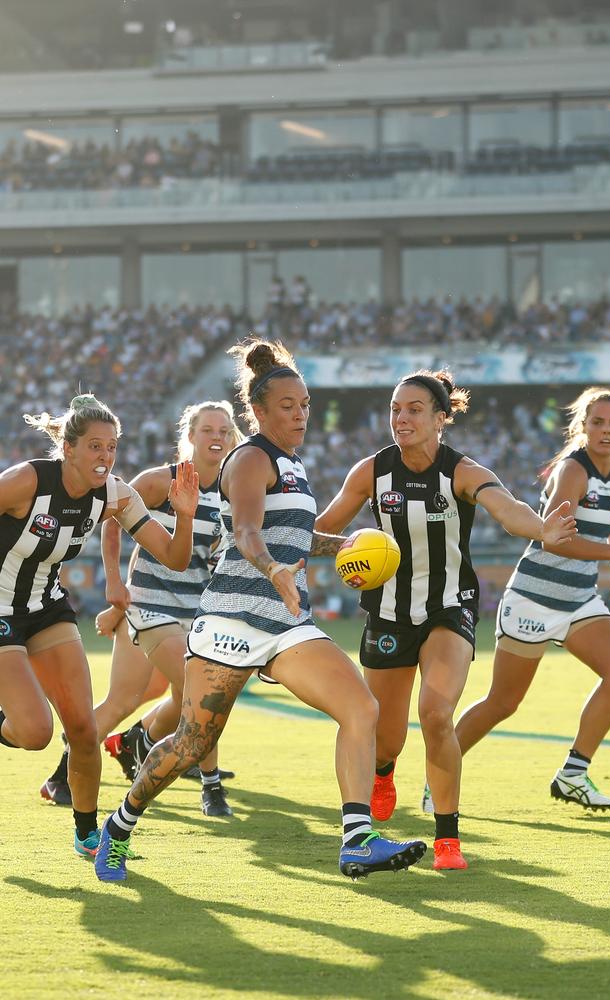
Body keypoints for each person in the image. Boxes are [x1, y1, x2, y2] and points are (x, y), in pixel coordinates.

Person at [95, 340, 427, 882]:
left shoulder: (293, 464)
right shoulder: (248, 459)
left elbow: (290, 534)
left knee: (362, 710)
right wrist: (274, 569)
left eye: (306, 405)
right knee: (191, 743)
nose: (301, 415)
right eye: (289, 406)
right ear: (260, 412)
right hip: (232, 618)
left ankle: (356, 840)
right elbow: (247, 532)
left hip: (286, 625)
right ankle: (119, 825)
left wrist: (339, 545)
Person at [314, 369, 576, 870]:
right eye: (395, 409)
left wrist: (541, 528)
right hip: (388, 613)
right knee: (385, 736)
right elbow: (323, 529)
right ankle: (384, 771)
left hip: (449, 608)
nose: (401, 418)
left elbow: (509, 508)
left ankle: (448, 840)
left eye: (414, 410)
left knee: (436, 712)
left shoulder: (461, 472)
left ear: (440, 419)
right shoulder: (371, 472)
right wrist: (336, 550)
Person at [0, 394, 198, 858]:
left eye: (111, 447)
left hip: (46, 609)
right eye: (94, 446)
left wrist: (184, 516)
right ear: (68, 448)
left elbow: (174, 556)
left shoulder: (114, 493)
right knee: (34, 732)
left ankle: (88, 835)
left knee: (84, 730)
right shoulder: (28, 480)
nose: (105, 457)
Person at [42, 401, 241, 817]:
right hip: (149, 603)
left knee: (125, 699)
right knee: (203, 688)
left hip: (195, 608)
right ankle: (210, 786)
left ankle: (83, 764)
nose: (217, 437)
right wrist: (115, 585)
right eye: (208, 429)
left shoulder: (233, 491)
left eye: (225, 430)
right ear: (189, 436)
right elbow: (115, 520)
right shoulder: (159, 481)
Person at [455, 387, 610, 810]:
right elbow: (557, 540)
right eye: (597, 422)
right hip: (534, 598)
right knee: (503, 703)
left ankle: (572, 775)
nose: (606, 430)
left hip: (580, 599)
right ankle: (440, 773)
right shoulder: (572, 471)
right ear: (583, 427)